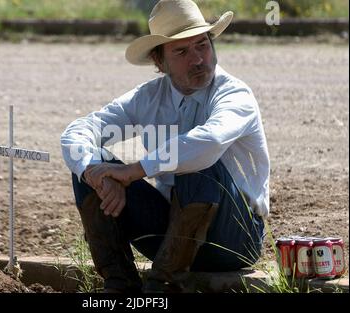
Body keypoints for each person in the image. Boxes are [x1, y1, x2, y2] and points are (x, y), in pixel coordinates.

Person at [60, 0, 270, 293]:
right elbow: (80, 130)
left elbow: (208, 141)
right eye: (182, 51)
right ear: (160, 63)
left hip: (233, 240)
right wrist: (93, 172)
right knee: (92, 166)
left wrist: (135, 170)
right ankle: (120, 285)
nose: (198, 59)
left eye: (202, 45)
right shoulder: (147, 99)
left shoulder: (234, 94)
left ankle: (162, 288)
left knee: (199, 165)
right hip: (169, 236)